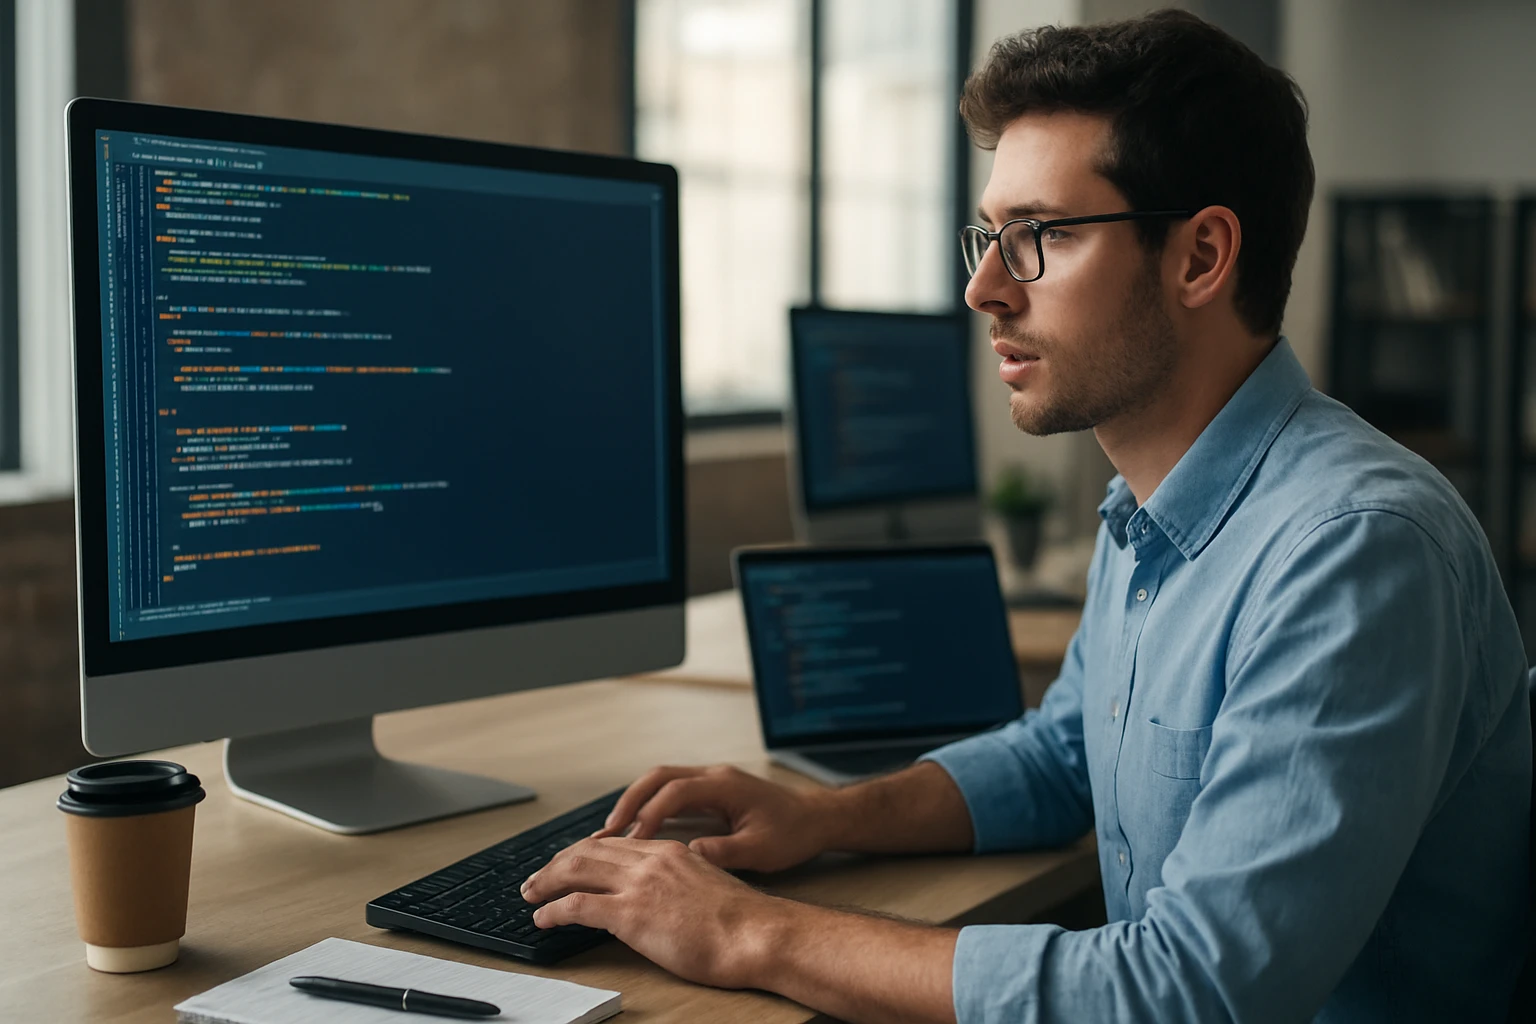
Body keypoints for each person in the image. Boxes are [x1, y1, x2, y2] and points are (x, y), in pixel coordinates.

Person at [519, 10, 1532, 1022]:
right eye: (990, 235)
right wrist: (820, 817)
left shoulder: (1354, 550)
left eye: (1039, 236)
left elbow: (1191, 992)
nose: (983, 287)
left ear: (1201, 256)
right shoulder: (1148, 508)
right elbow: (1061, 758)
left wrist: (749, 929)